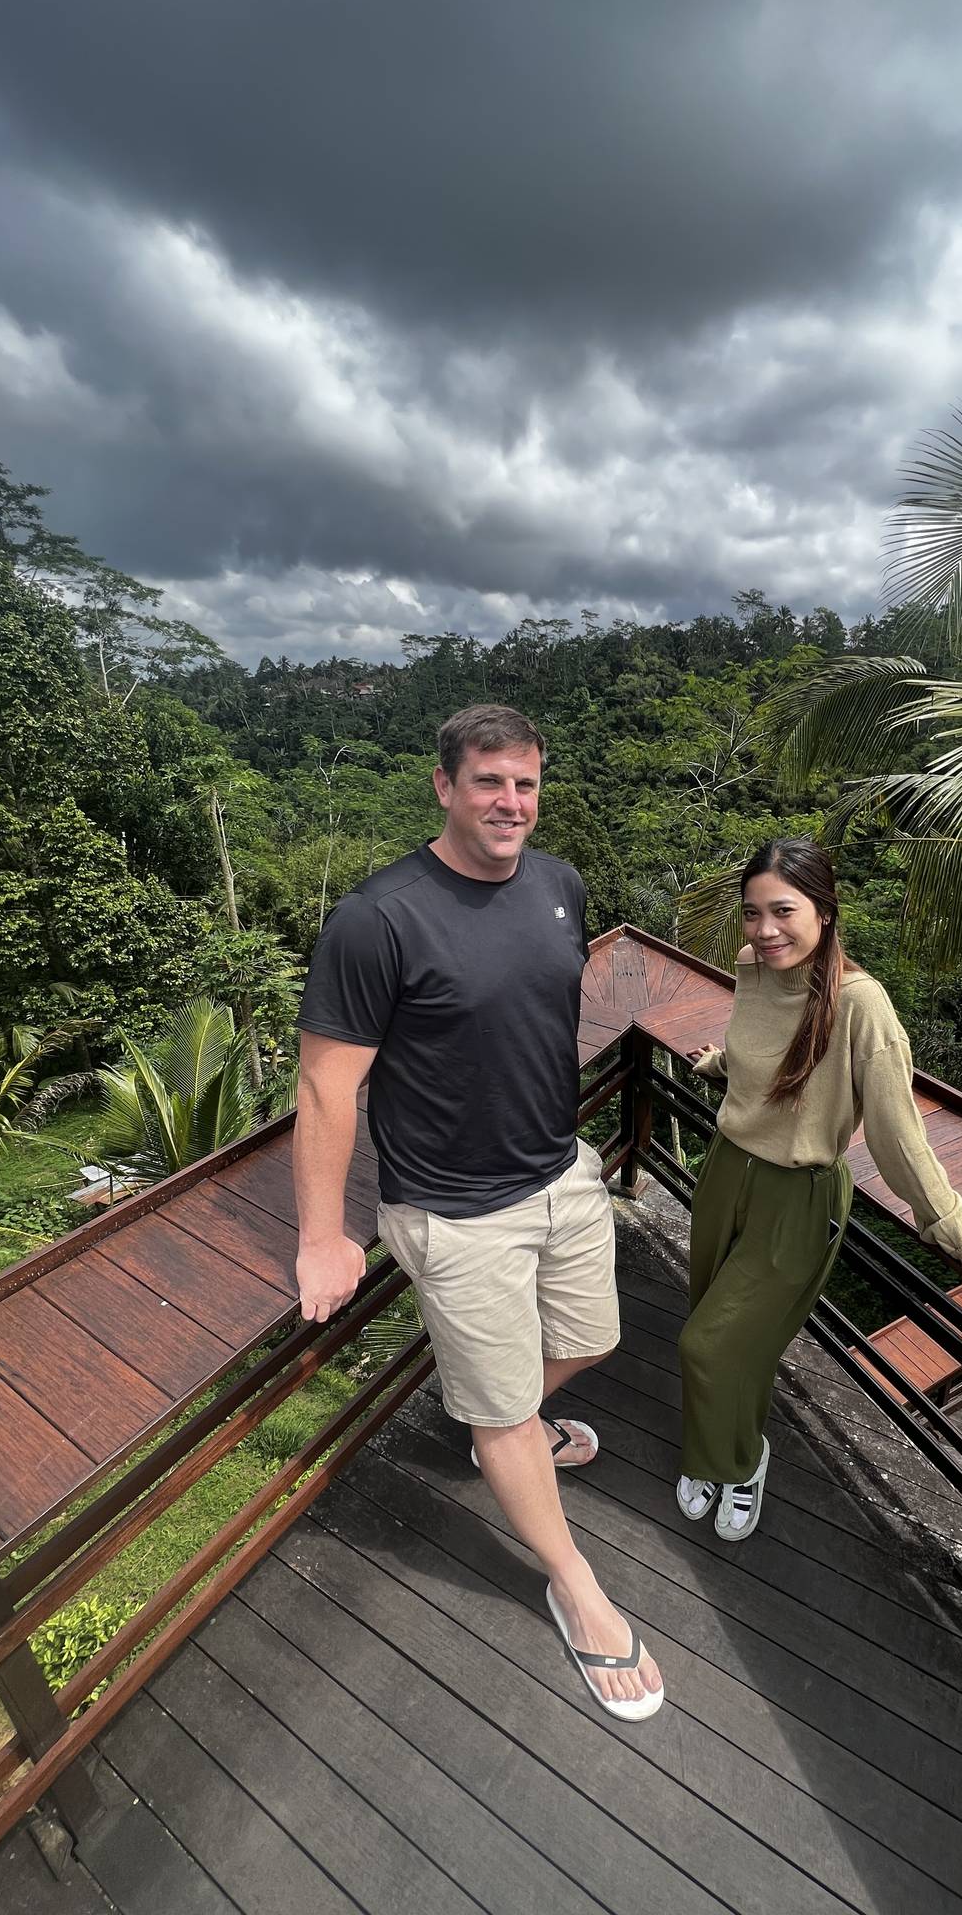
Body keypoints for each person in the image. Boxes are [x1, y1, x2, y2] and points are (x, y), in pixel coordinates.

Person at [292, 703, 663, 1722]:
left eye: (525, 783)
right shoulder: (379, 918)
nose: (510, 802)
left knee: (592, 1338)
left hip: (558, 1172)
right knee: (502, 1414)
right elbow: (326, 1087)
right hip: (453, 1213)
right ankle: (576, 1588)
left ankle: (508, 1429)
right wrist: (323, 1236)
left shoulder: (559, 885)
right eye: (489, 782)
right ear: (444, 787)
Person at [681, 837, 962, 1541]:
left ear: (824, 913)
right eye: (752, 913)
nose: (764, 930)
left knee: (709, 1345)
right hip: (726, 1169)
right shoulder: (752, 967)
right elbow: (755, 1053)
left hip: (797, 1199)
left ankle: (737, 1461)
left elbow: (899, 1139)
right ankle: (718, 1447)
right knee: (726, 1329)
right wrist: (718, 1067)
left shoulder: (862, 1005)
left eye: (784, 912)